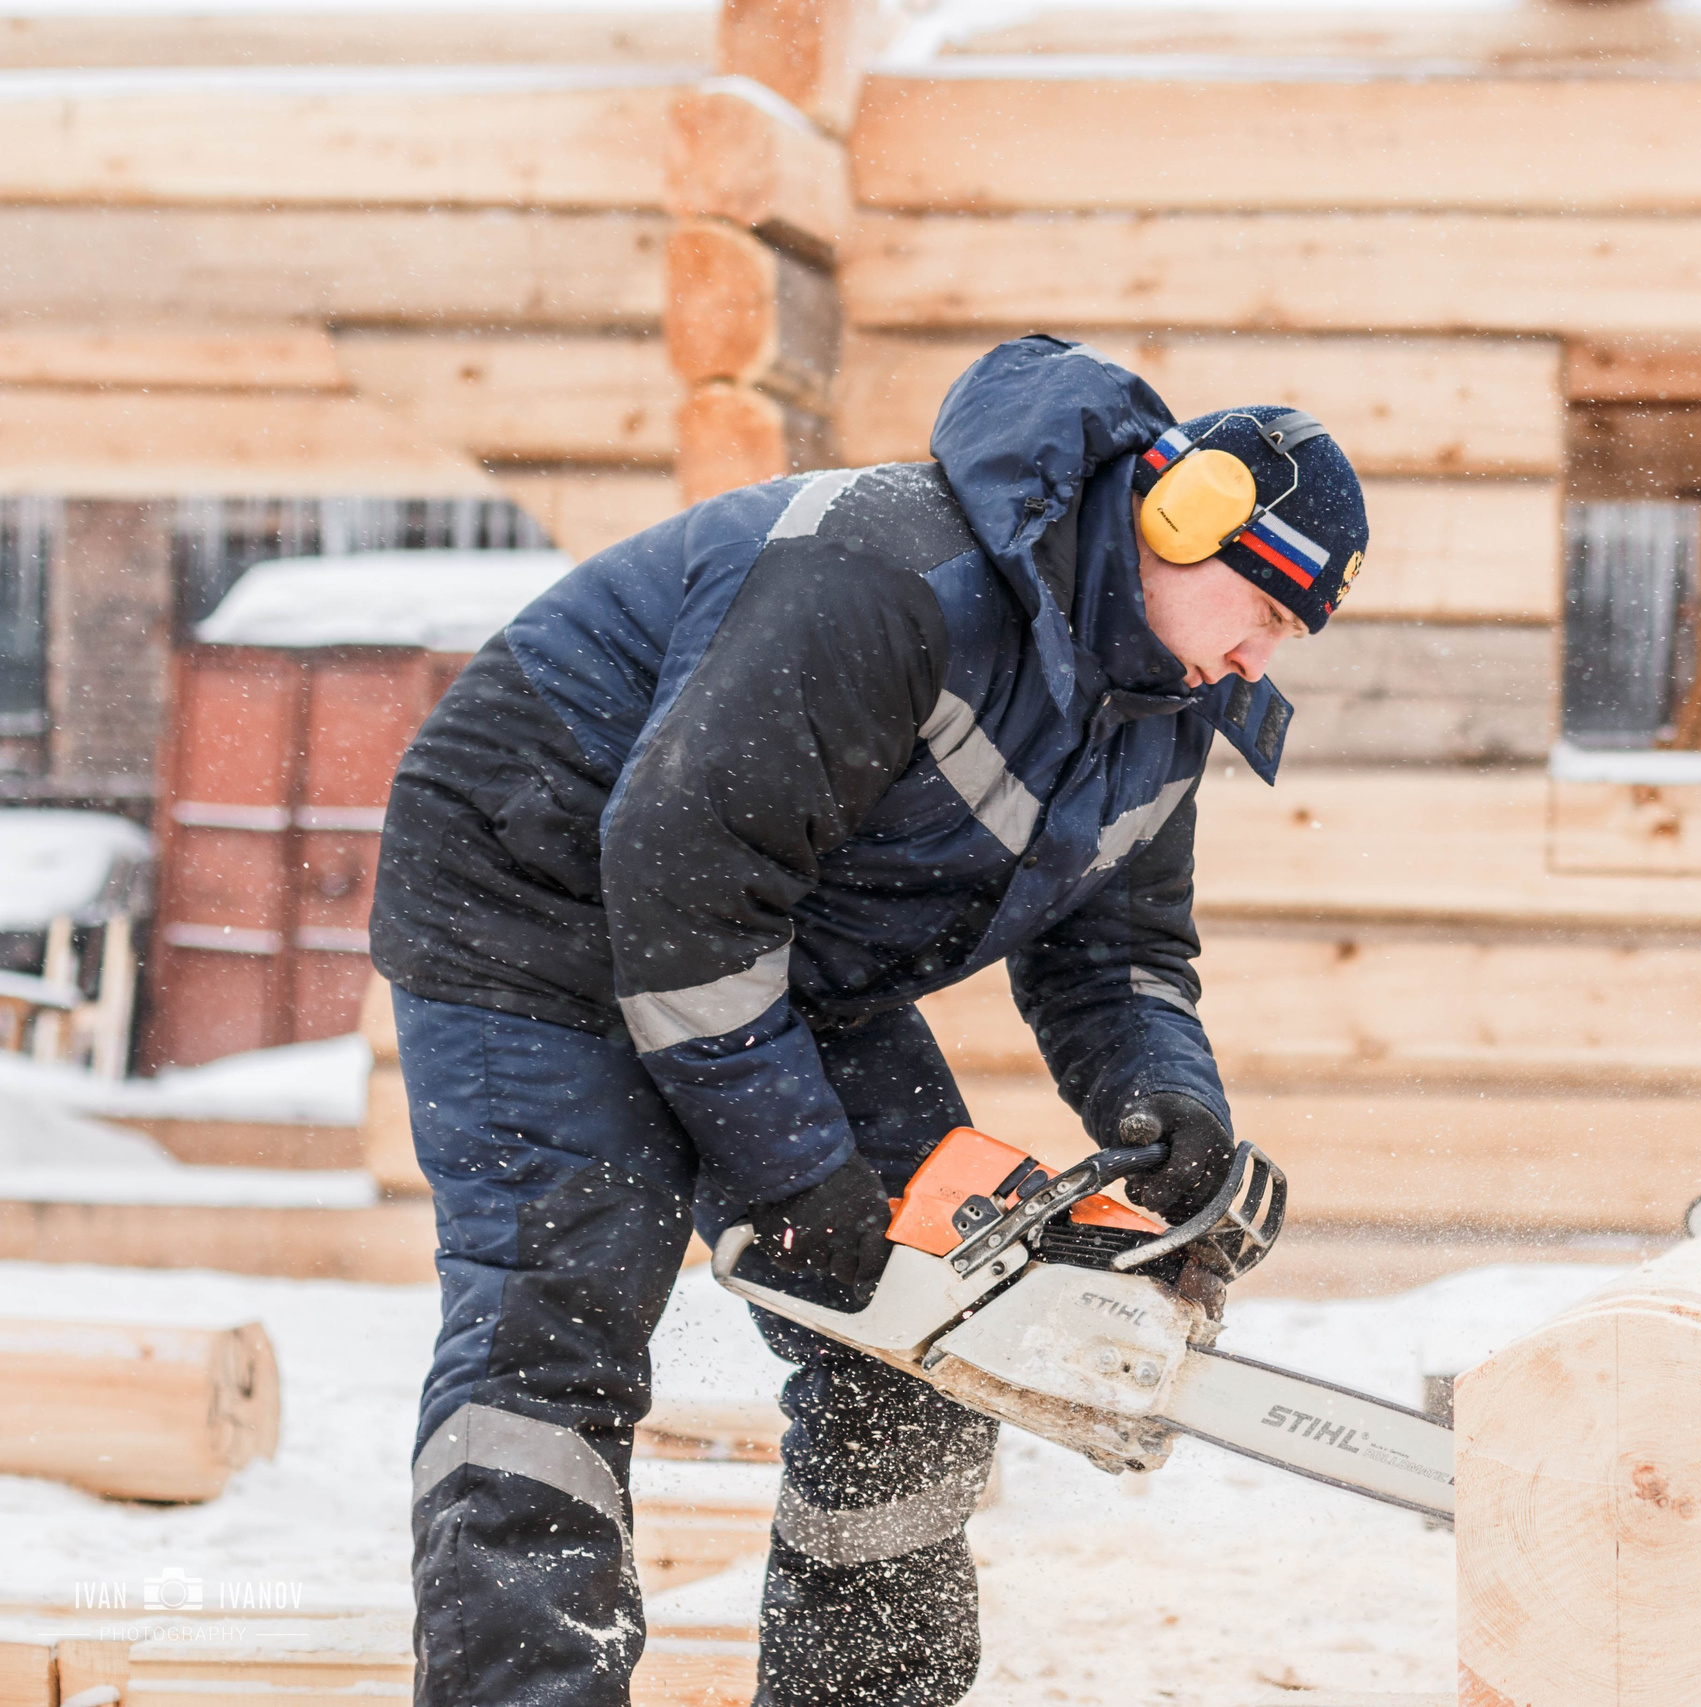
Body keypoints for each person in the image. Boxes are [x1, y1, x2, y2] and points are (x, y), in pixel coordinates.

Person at [368, 335, 1369, 1707]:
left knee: (928, 1328)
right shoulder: (890, 575)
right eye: (1258, 610)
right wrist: (795, 1174)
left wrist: (1166, 1103)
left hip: (780, 952)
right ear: (1175, 518)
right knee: (560, 1315)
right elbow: (685, 879)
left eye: (1285, 638)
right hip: (534, 896)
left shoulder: (1163, 708)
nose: (1258, 658)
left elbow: (1121, 949)